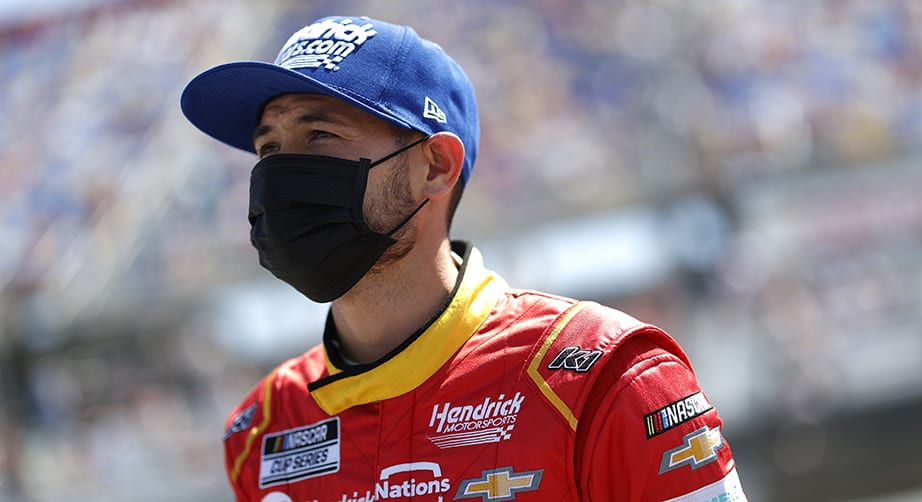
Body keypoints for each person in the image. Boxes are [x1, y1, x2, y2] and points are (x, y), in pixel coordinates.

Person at [181, 15, 748, 502]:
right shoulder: (263, 430)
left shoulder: (607, 378)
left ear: (435, 166)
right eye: (269, 148)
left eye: (321, 135)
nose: (279, 175)